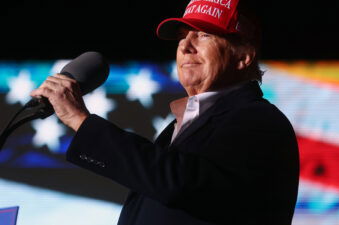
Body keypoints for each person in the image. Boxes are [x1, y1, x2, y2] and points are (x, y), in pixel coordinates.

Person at [30, 0, 300, 224]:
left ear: (243, 56)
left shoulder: (259, 121)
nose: (185, 46)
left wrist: (80, 120)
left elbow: (179, 182)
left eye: (204, 35)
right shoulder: (180, 125)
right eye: (183, 36)